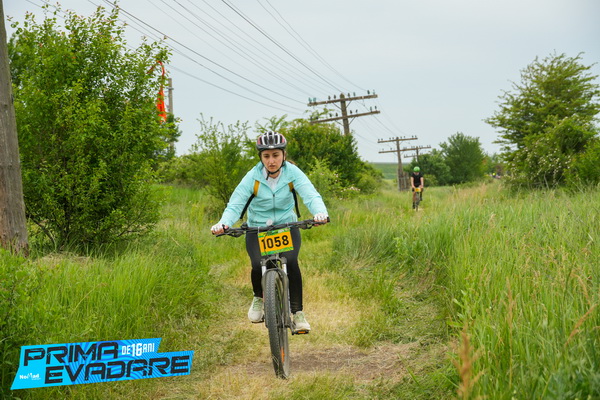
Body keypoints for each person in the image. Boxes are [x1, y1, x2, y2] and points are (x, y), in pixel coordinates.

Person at [211, 131, 328, 333]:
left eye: (275, 155)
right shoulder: (253, 176)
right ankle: (258, 297)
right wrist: (224, 223)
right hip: (258, 227)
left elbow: (310, 195)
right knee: (258, 264)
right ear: (260, 157)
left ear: (283, 155)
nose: (271, 161)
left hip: (286, 225)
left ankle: (298, 313)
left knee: (291, 263)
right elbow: (236, 203)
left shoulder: (292, 173)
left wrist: (320, 213)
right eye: (266, 156)